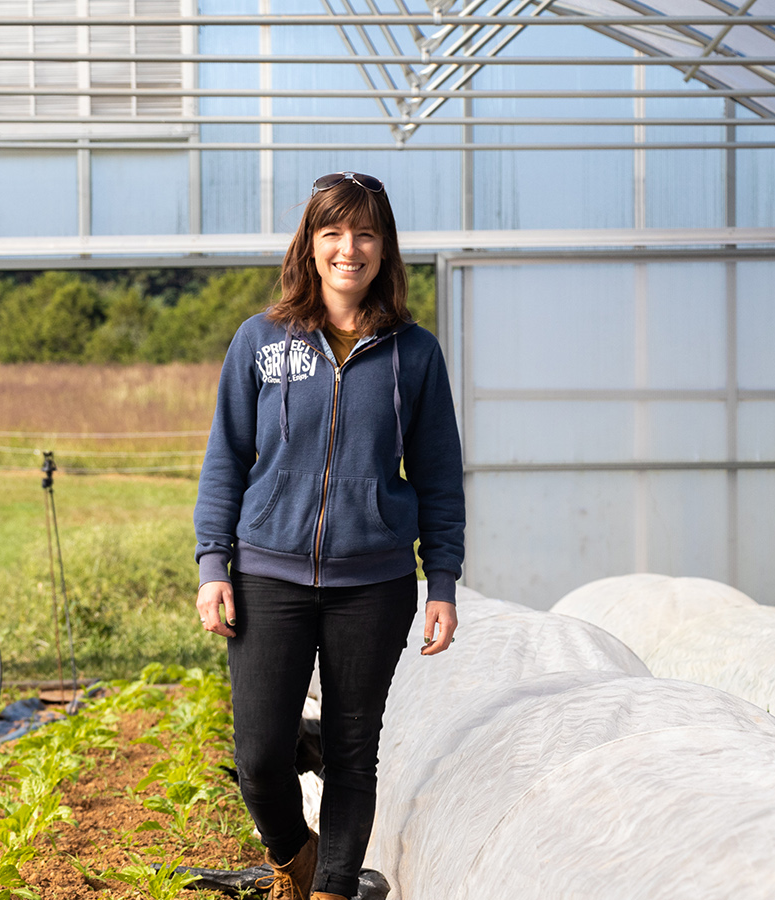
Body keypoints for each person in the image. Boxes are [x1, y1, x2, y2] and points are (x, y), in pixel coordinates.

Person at [193, 171, 466, 900]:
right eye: (334, 232)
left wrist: (441, 582)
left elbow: (439, 476)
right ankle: (298, 857)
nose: (351, 248)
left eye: (367, 232)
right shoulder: (261, 340)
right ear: (311, 245)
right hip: (267, 574)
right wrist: (212, 565)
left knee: (352, 752)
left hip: (372, 584)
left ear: (385, 247)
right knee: (258, 756)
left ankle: (333, 889)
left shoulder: (415, 354)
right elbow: (226, 456)